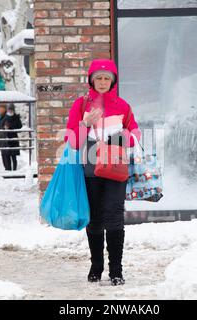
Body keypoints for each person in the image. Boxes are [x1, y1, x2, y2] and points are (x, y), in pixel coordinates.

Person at [64, 59, 141, 286]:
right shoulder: (81, 104)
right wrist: (85, 123)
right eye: (98, 77)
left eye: (107, 78)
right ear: (91, 79)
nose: (102, 82)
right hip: (90, 169)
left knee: (115, 216)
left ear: (114, 81)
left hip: (116, 168)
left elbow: (135, 132)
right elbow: (73, 142)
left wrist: (126, 137)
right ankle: (96, 265)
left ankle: (116, 270)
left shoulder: (123, 105)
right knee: (95, 218)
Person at [2, 105, 23, 171]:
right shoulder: (5, 117)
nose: (10, 111)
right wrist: (4, 127)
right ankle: (8, 170)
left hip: (13, 138)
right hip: (7, 138)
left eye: (11, 110)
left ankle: (14, 170)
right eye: (9, 110)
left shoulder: (16, 117)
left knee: (14, 156)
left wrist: (10, 126)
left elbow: (19, 126)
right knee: (7, 156)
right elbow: (1, 125)